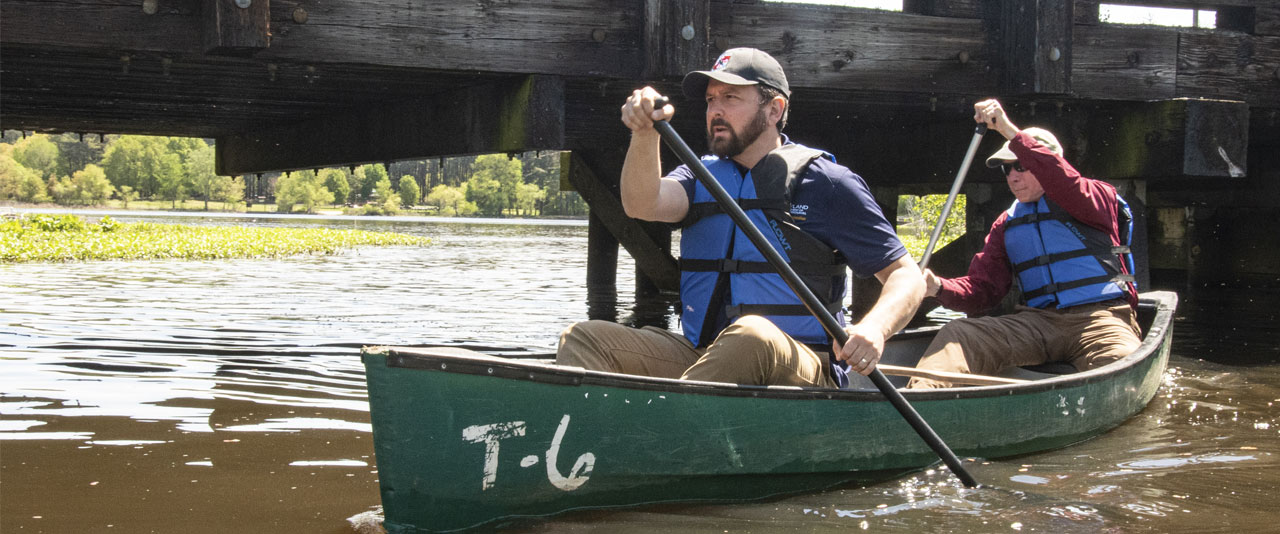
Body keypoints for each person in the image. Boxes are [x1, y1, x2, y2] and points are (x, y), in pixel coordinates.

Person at [556, 48, 923, 388]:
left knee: (752, 335)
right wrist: (643, 132)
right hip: (704, 356)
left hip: (801, 364)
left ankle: (662, 431)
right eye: (711, 99)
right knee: (585, 338)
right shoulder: (699, 176)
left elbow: (906, 276)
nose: (716, 109)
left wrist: (875, 327)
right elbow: (642, 204)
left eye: (731, 98)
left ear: (774, 109)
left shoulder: (828, 183)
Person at [907, 99, 1140, 389]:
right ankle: (919, 401)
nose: (1014, 176)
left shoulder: (1093, 197)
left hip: (1100, 320)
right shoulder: (1006, 224)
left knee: (1120, 358)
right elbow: (984, 291)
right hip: (1038, 324)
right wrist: (938, 288)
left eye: (1021, 165)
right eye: (1007, 170)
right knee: (960, 332)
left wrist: (1006, 130)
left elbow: (1061, 178)